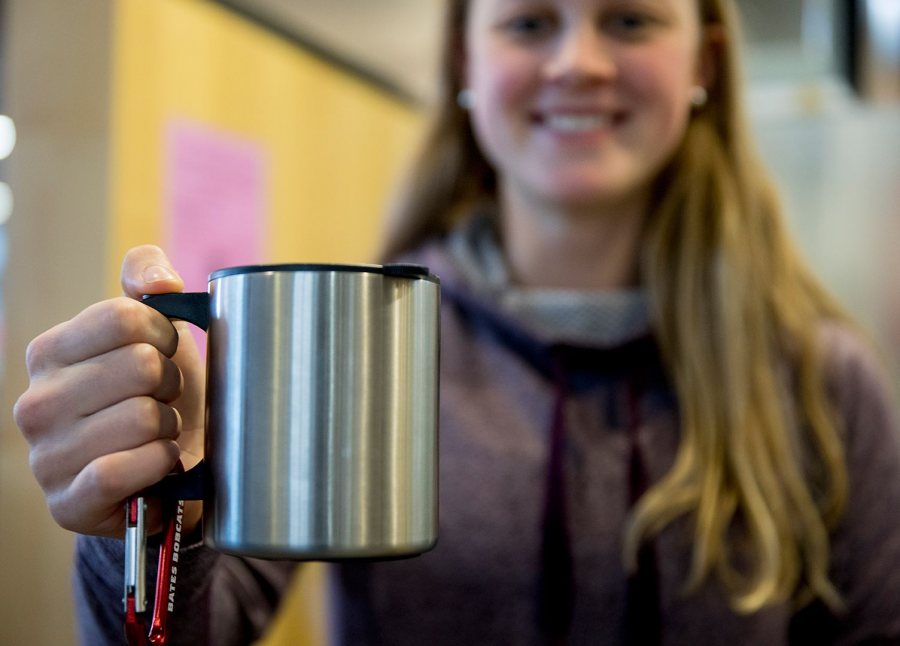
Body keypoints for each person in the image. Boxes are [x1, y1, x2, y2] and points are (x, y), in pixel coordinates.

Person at [14, 0, 900, 643]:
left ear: (704, 60)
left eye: (629, 20)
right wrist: (145, 523)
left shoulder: (821, 379)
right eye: (528, 22)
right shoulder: (359, 342)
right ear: (464, 64)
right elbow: (187, 634)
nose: (578, 62)